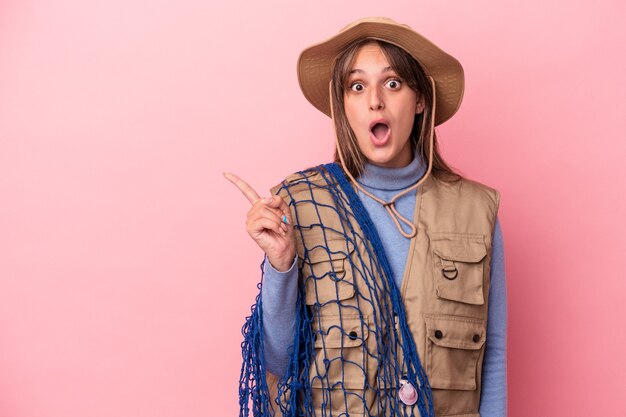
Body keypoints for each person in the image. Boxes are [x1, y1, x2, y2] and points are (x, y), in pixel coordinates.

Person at [225, 17, 507, 417]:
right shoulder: (302, 205)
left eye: (393, 83)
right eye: (357, 87)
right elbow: (277, 359)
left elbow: (491, 355)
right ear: (344, 105)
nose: (375, 100)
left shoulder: (477, 211)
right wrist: (281, 264)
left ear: (421, 99)